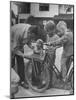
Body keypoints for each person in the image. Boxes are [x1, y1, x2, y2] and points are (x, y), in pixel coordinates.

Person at [11, 23, 38, 89]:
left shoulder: (31, 29)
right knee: (11, 63)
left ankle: (22, 81)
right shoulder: (19, 33)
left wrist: (33, 48)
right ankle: (10, 80)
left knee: (21, 63)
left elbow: (28, 41)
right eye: (31, 37)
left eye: (33, 37)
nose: (32, 38)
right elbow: (15, 49)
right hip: (11, 41)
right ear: (29, 33)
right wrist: (24, 55)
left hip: (19, 43)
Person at [44, 20, 59, 88]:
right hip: (47, 54)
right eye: (46, 31)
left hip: (52, 55)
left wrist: (55, 48)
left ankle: (49, 84)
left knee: (49, 68)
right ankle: (46, 82)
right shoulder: (47, 35)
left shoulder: (56, 37)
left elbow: (60, 44)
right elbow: (47, 43)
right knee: (46, 68)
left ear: (53, 30)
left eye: (48, 31)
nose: (47, 32)